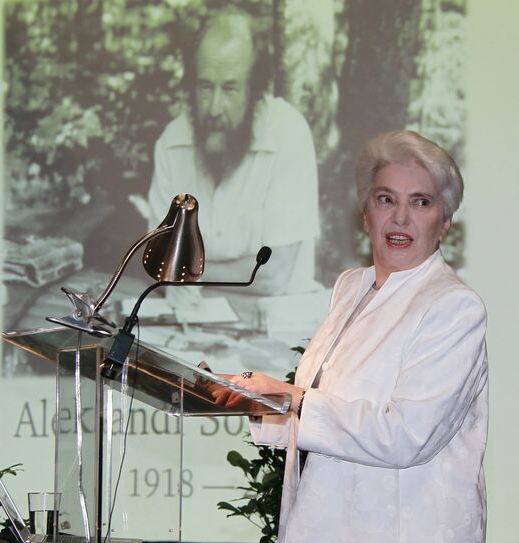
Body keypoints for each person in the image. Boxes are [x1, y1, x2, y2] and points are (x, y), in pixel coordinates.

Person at [221, 131, 488, 542]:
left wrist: (292, 397)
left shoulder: (453, 306)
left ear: (445, 223)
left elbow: (406, 436)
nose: (400, 217)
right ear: (366, 215)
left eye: (421, 202)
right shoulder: (351, 287)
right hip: (323, 522)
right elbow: (327, 413)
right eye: (386, 199)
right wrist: (255, 402)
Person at [146, 11, 320, 304]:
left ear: (255, 91)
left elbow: (273, 274)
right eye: (205, 87)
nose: (214, 108)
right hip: (187, 327)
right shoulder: (172, 143)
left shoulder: (288, 132)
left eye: (229, 89)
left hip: (274, 332)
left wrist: (187, 275)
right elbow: (160, 265)